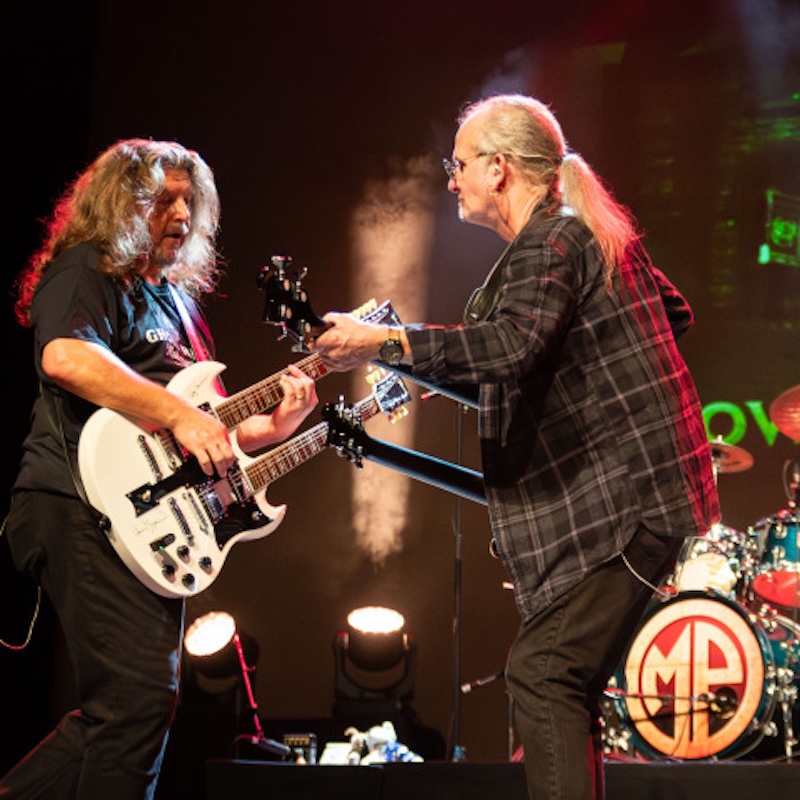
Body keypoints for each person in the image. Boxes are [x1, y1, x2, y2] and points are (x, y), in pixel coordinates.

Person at [312, 94, 720, 799]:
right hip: (650, 495)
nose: (451, 180)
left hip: (628, 501)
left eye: (459, 165)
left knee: (544, 672)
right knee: (562, 680)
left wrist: (384, 341)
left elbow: (509, 345)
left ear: (499, 168)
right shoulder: (582, 230)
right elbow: (667, 312)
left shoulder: (551, 238)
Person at [1, 139, 318, 799]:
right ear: (119, 205)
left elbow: (205, 422)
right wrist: (178, 415)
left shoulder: (178, 305)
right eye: (163, 199)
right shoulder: (88, 269)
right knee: (137, 705)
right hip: (79, 501)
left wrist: (271, 427)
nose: (181, 214)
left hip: (146, 518)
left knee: (131, 711)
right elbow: (66, 357)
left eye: (189, 201)